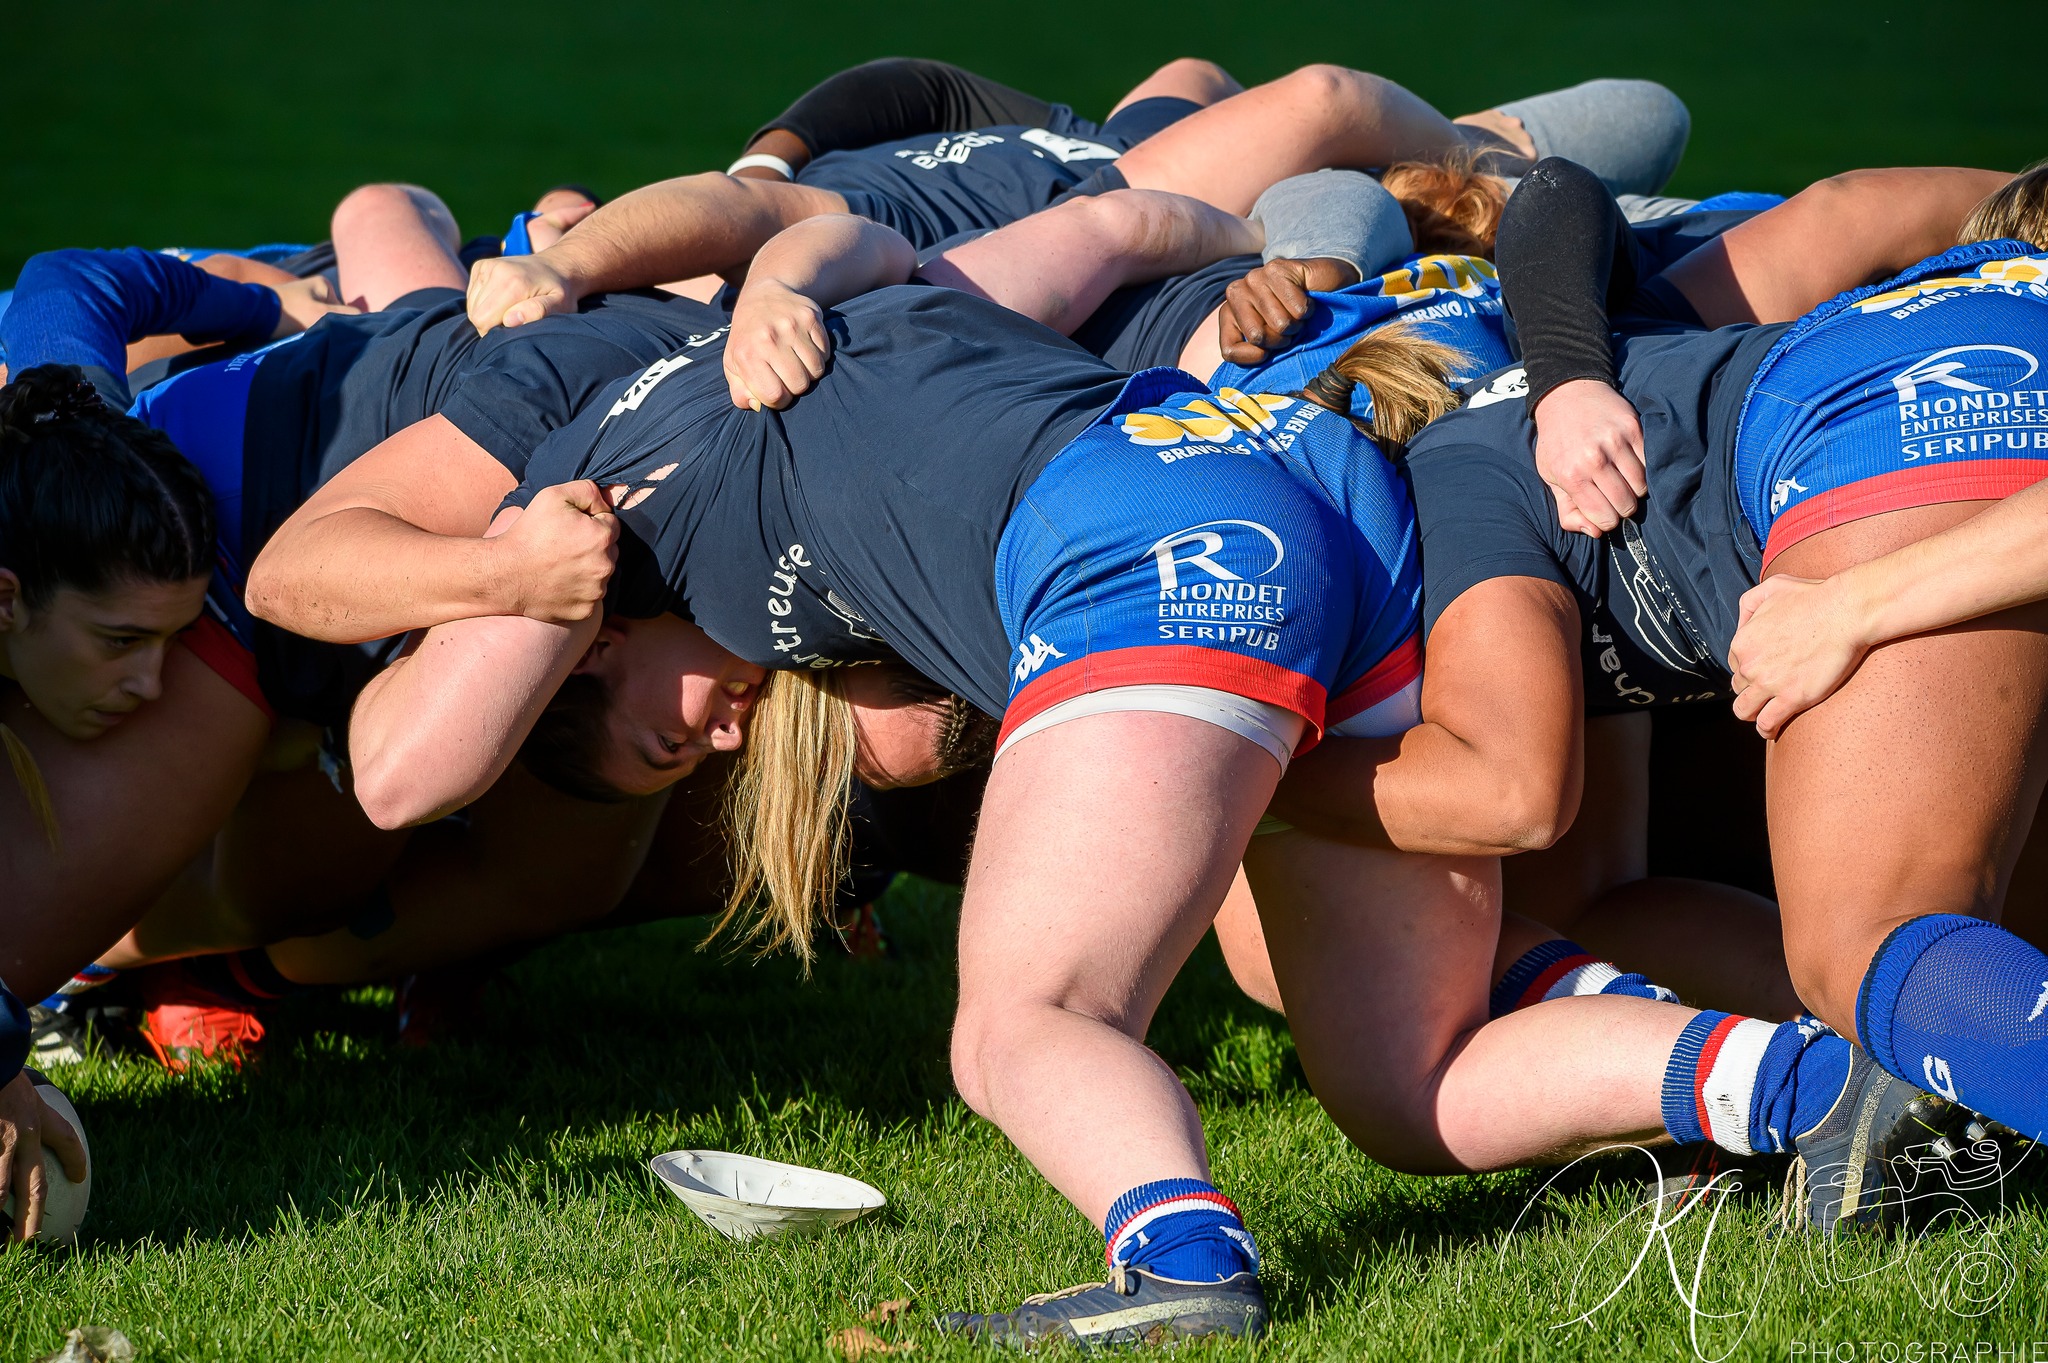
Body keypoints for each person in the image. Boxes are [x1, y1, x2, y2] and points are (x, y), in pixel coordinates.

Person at [287, 202, 1984, 1343]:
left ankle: (1177, 1262)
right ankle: (1820, 1093)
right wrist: (791, 274)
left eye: (648, 715)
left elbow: (403, 767)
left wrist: (505, 578)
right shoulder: (865, 314)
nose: (716, 727)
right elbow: (1080, 225)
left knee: (1026, 1015)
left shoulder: (598, 478)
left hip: (1145, 545)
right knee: (1403, 1080)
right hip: (1298, 477)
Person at [1266, 161, 2048, 1167]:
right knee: (1989, 939)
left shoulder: (1452, 475)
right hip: (1897, 385)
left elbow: (1508, 790)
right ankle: (1885, 1063)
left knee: (1867, 936)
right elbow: (1584, 894)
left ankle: (1874, 1051)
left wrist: (1260, 772)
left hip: (1881, 412)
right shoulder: (1611, 357)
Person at [462, 64, 1689, 336]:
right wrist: (558, 270)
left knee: (1194, 78)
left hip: (1101, 148)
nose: (572, 207)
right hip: (1124, 193)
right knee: (1319, 107)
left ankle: (1465, 174)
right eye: (558, 223)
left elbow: (921, 83)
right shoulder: (744, 270)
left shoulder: (755, 195)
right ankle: (1492, 179)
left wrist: (769, 153)